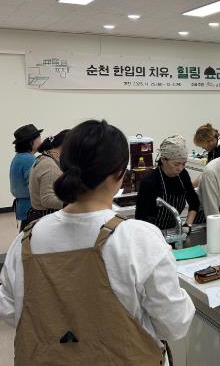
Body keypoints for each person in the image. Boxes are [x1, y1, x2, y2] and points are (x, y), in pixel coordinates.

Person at [0, 120, 194, 365]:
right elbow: (174, 323)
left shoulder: (25, 241)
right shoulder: (138, 238)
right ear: (120, 174)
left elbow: (10, 311)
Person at [136, 135, 201, 233]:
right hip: (152, 232)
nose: (180, 168)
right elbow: (140, 218)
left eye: (183, 164)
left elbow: (194, 202)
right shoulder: (150, 181)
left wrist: (188, 224)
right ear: (163, 160)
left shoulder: (183, 175)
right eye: (176, 164)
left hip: (174, 230)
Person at [25, 130, 70, 225]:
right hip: (45, 218)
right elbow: (47, 200)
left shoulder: (44, 158)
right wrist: (74, 203)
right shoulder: (49, 165)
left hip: (40, 216)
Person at [10, 124, 43, 231]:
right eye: (39, 138)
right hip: (32, 207)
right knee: (30, 236)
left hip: (25, 207)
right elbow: (37, 185)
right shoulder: (29, 160)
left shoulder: (20, 157)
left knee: (25, 234)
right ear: (30, 142)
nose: (41, 141)